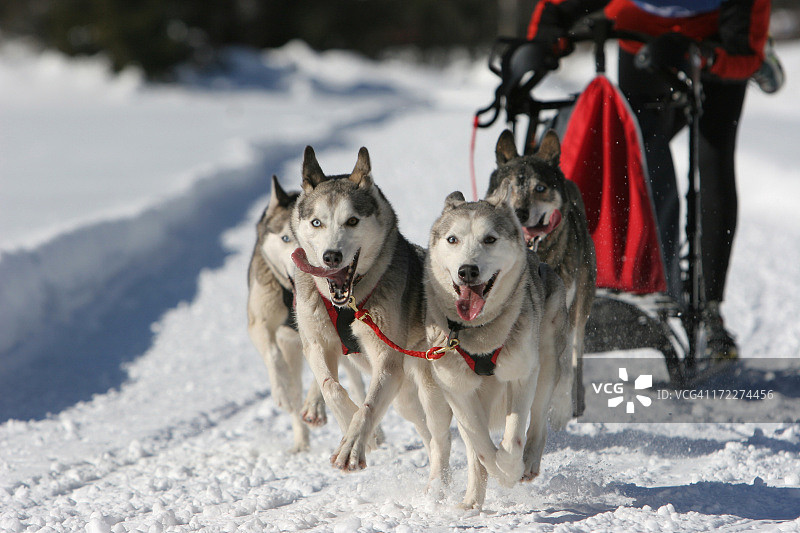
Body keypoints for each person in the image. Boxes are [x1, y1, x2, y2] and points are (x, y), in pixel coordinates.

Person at [526, 0, 779, 360]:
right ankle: (655, 282)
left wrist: (705, 56)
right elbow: (557, 7)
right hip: (641, 35)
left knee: (713, 156)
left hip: (717, 35)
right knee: (643, 153)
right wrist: (541, 40)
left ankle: (708, 310)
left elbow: (743, 52)